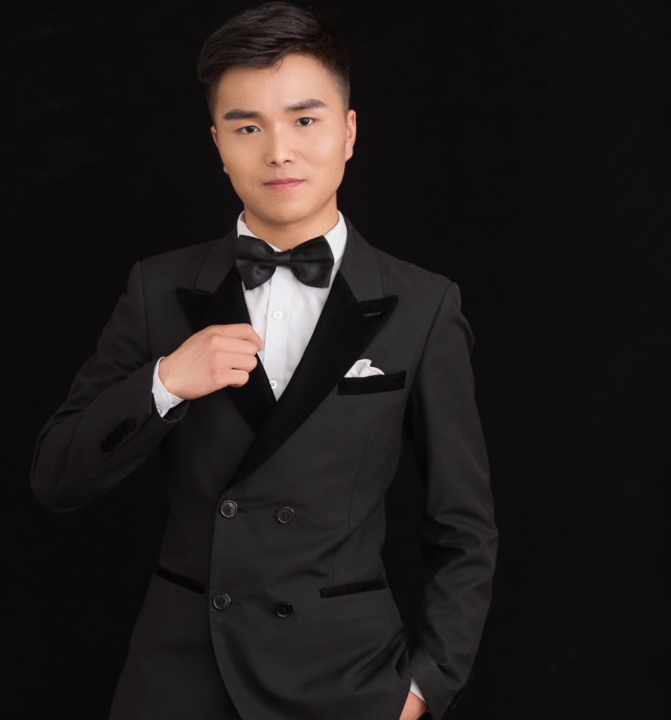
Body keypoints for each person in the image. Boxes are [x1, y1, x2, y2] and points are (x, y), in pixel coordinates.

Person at [31, 3, 497, 718]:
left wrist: (426, 686)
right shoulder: (159, 289)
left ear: (348, 133)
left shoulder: (424, 305)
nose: (279, 151)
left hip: (346, 681)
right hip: (182, 679)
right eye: (248, 127)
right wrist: (165, 383)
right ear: (218, 144)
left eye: (305, 120)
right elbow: (56, 476)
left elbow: (463, 524)